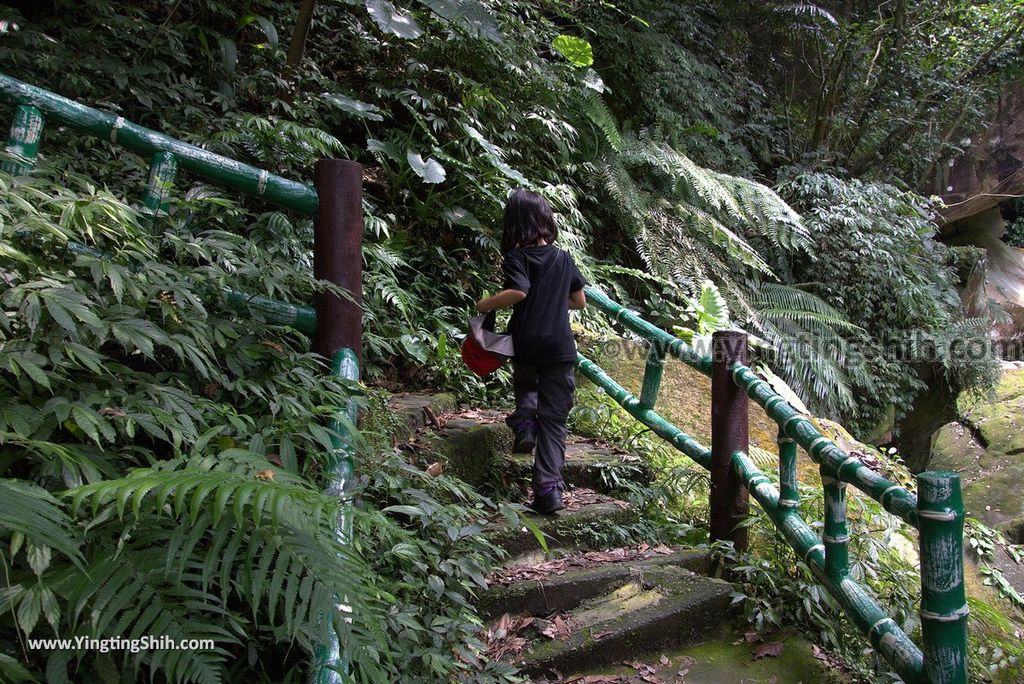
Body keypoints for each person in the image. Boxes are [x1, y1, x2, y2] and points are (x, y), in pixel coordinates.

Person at [475, 189, 586, 514]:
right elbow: (579, 302)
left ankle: (524, 424)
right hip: (559, 348)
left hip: (525, 343)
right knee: (554, 421)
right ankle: (549, 491)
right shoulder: (564, 258)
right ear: (546, 221)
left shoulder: (517, 257)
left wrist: (484, 304)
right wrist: (552, 302)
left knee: (525, 384)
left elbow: (518, 292)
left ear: (515, 223)